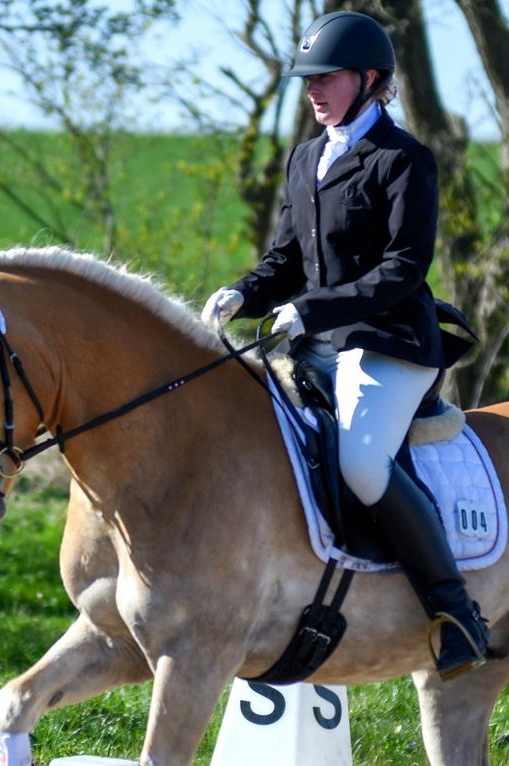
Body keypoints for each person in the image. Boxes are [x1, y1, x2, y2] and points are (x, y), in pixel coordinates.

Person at [201, 11, 490, 680]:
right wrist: (245, 293)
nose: (313, 92)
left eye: (325, 79)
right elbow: (285, 259)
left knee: (362, 462)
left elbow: (402, 268)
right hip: (313, 344)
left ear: (369, 80)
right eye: (308, 81)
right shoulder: (308, 157)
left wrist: (311, 309)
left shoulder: (404, 160)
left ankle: (456, 611)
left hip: (390, 344)